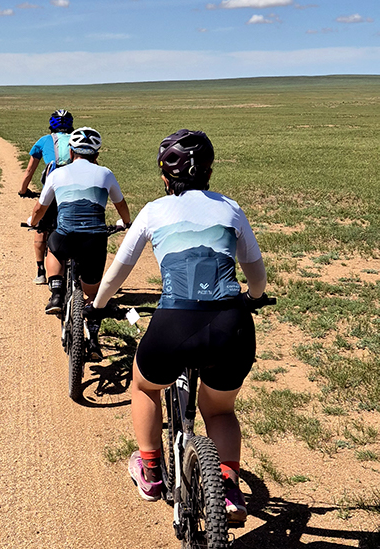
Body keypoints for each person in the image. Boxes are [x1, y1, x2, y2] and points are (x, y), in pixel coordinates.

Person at [90, 129, 267, 522]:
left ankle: (151, 472)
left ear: (165, 176)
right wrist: (254, 298)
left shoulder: (154, 211)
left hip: (174, 321)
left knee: (144, 384)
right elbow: (256, 274)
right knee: (219, 411)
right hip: (230, 325)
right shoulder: (230, 208)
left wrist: (98, 304)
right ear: (208, 170)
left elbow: (119, 270)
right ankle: (227, 487)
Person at [28, 127, 131, 361]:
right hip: (94, 240)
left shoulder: (57, 175)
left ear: (72, 152)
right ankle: (93, 340)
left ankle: (55, 292)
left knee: (54, 246)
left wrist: (32, 222)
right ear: (96, 155)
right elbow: (121, 204)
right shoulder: (105, 173)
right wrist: (126, 223)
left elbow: (39, 208)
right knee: (92, 297)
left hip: (66, 236)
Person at [19, 109, 74, 284]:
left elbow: (29, 171)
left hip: (51, 192)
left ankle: (41, 271)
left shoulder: (43, 141)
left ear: (51, 125)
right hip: (73, 192)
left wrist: (23, 190)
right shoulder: (77, 140)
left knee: (40, 228)